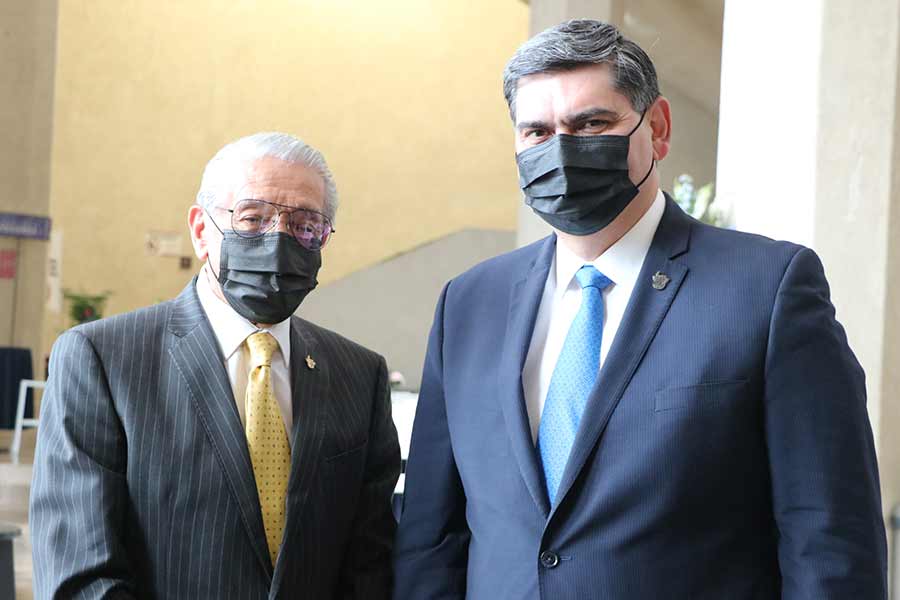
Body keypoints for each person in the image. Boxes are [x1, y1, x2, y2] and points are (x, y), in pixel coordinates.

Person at [393, 20, 887, 599]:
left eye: (591, 123)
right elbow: (431, 539)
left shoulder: (769, 289)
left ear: (657, 128)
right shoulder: (468, 304)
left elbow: (829, 541)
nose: (561, 149)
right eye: (536, 132)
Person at [31, 132, 401, 599]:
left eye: (305, 225)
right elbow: (79, 574)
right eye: (253, 218)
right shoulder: (102, 359)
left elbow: (370, 563)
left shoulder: (359, 375)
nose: (277, 240)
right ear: (201, 230)